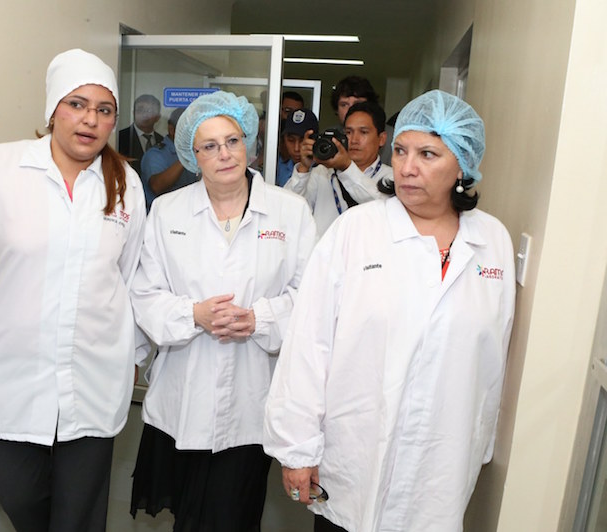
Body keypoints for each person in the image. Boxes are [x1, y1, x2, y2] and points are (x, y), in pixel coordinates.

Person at [0, 49, 147, 532]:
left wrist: (137, 355)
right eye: (77, 104)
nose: (90, 119)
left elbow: (130, 278)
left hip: (94, 380)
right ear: (53, 110)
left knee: (79, 517)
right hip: (14, 381)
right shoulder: (2, 166)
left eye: (104, 110)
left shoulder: (126, 184)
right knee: (17, 493)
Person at [263, 90, 515, 532]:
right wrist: (297, 449)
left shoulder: (491, 241)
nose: (407, 167)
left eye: (427, 154)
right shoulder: (357, 230)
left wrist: (480, 442)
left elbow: (493, 359)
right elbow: (309, 343)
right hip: (354, 452)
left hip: (442, 460)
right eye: (400, 151)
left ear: (462, 164)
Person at [129, 91, 316, 532]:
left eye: (232, 141)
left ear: (249, 143)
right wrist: (194, 314)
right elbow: (145, 293)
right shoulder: (168, 211)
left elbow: (310, 298)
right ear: (191, 155)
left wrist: (259, 319)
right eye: (209, 146)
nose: (225, 154)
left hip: (253, 394)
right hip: (182, 394)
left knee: (233, 514)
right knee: (188, 516)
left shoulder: (290, 212)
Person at [284, 101, 392, 235]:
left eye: (363, 132)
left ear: (382, 139)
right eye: (349, 132)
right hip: (324, 248)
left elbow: (382, 208)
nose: (354, 140)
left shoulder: (391, 177)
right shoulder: (321, 172)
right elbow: (288, 211)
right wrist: (303, 168)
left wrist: (346, 167)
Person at [140, 107, 198, 210]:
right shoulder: (156, 154)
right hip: (162, 215)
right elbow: (157, 186)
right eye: (188, 130)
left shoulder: (198, 151)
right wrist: (185, 156)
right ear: (172, 130)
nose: (192, 134)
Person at [118, 94, 164, 175]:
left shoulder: (162, 141)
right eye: (140, 110)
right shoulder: (120, 138)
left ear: (158, 117)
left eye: (149, 111)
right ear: (133, 113)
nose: (145, 115)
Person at [276, 108, 319, 187]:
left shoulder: (325, 172)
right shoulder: (277, 167)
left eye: (302, 140)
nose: (296, 148)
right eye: (291, 140)